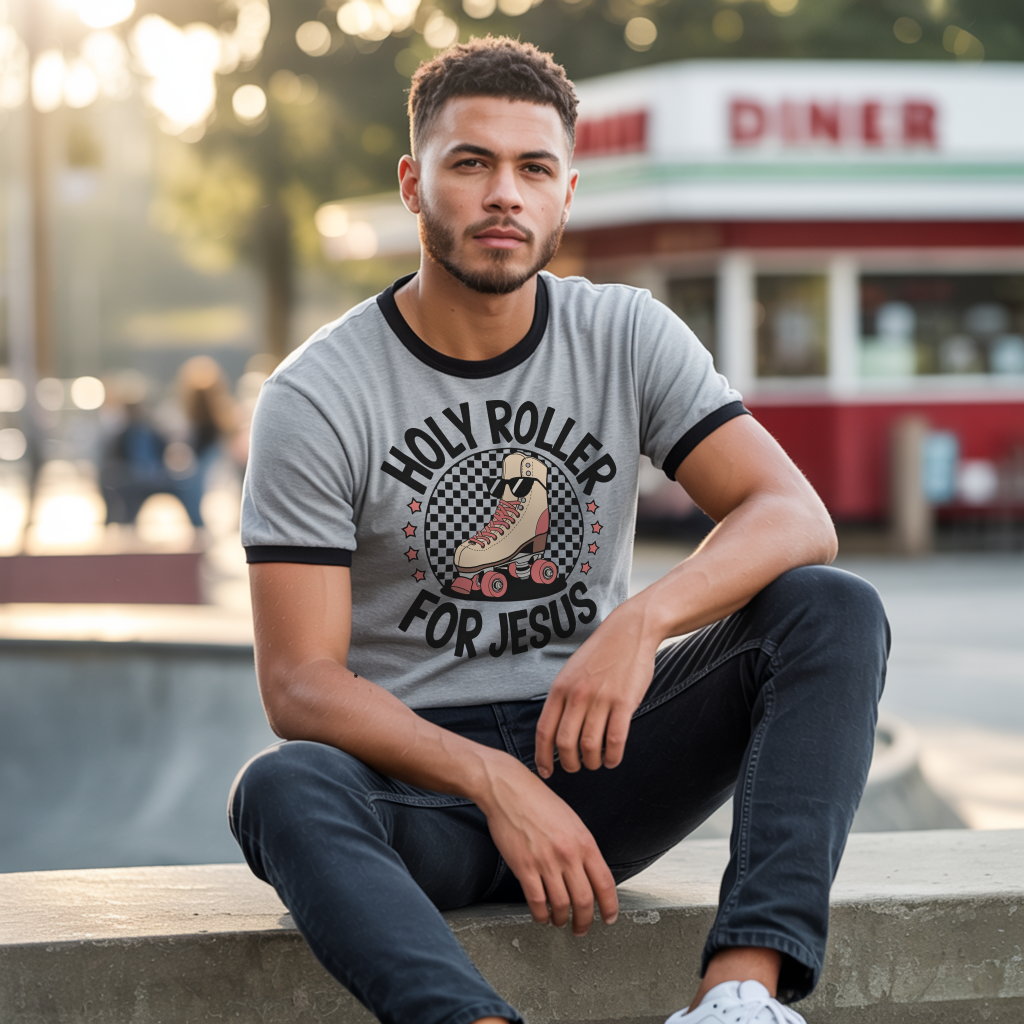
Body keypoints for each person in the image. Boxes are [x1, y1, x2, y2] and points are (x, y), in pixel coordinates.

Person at [230, 38, 889, 1024]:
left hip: (600, 752)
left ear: (566, 191)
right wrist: (491, 778)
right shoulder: (318, 394)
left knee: (829, 609)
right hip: (422, 791)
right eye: (471, 163)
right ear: (414, 185)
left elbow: (793, 514)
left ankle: (739, 996)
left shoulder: (625, 333)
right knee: (281, 790)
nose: (505, 193)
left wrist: (640, 624)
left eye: (533, 168)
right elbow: (298, 683)